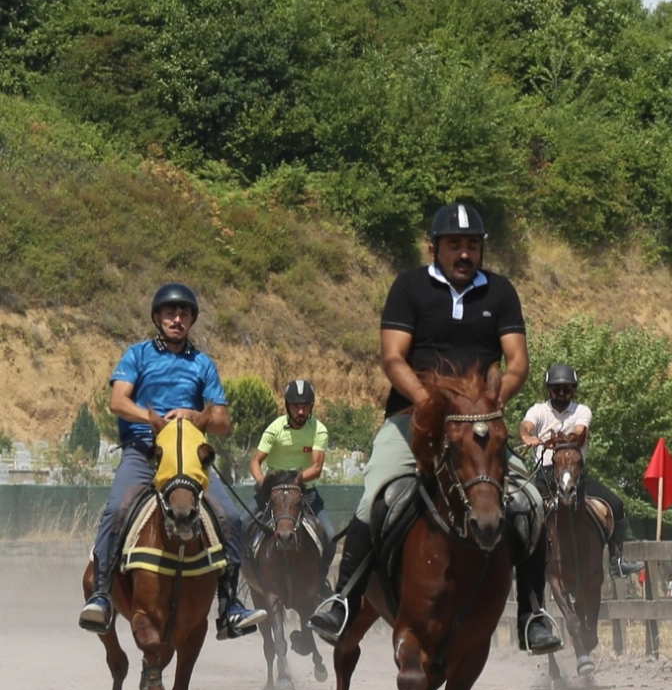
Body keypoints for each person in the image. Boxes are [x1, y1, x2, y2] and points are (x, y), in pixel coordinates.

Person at [308, 202, 534, 645]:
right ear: (434, 247)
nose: (465, 254)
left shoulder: (501, 293)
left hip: (479, 427)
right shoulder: (410, 287)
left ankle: (533, 611)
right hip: (411, 420)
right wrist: (430, 404)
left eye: (472, 245)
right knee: (374, 494)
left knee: (529, 502)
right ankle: (343, 600)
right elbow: (393, 357)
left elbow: (518, 362)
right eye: (455, 245)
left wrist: (487, 405)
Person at [78, 283, 268, 639]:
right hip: (144, 451)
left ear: (192, 320)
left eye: (184, 314)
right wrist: (156, 420)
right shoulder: (137, 355)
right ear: (157, 317)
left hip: (189, 457)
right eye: (170, 313)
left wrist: (196, 416)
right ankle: (103, 595)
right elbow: (118, 402)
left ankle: (229, 607)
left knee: (229, 517)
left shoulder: (203, 364)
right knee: (117, 509)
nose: (177, 319)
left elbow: (223, 422)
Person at [519, 364, 644, 580]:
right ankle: (520, 560)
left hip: (575, 475)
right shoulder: (538, 410)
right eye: (556, 389)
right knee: (519, 508)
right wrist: (527, 437)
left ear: (573, 390)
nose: (561, 394)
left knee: (616, 505)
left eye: (566, 389)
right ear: (549, 389)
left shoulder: (582, 411)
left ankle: (617, 561)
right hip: (546, 475)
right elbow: (525, 426)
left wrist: (557, 440)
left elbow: (579, 433)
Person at [249, 379, 336, 586]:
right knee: (241, 524)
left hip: (306, 493)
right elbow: (255, 462)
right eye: (296, 406)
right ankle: (248, 577)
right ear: (287, 406)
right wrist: (262, 482)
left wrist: (295, 480)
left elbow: (316, 468)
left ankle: (319, 582)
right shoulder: (275, 428)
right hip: (273, 492)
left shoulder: (319, 430)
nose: (300, 411)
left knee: (331, 536)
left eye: (305, 406)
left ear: (311, 407)